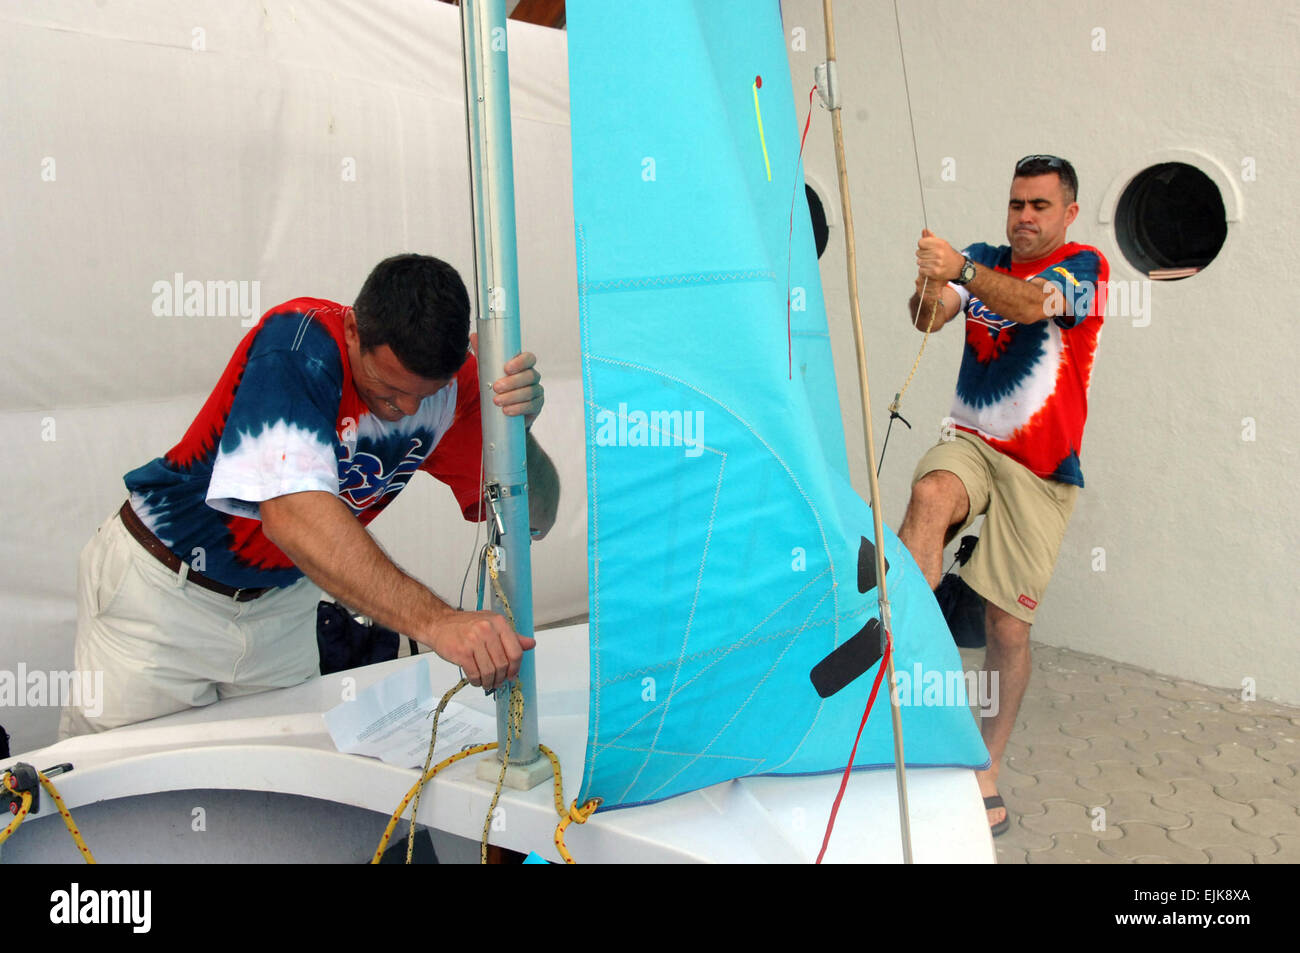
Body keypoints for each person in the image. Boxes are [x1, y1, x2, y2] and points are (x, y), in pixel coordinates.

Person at [60, 253, 559, 738]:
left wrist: (515, 430)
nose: (406, 408)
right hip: (163, 596)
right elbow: (292, 515)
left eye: (425, 395)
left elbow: (536, 517)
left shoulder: (455, 386)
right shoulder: (299, 343)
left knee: (276, 785)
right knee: (117, 781)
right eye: (387, 388)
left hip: (282, 605)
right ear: (352, 332)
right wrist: (439, 623)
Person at [897, 156, 1108, 836]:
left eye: (1040, 206)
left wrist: (958, 268)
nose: (1024, 216)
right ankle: (903, 672)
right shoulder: (984, 258)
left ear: (1068, 213)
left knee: (1006, 627)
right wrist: (930, 284)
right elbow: (928, 320)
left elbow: (1025, 303)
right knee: (931, 493)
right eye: (1017, 202)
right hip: (973, 443)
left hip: (1042, 471)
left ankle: (984, 765)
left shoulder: (1084, 269)